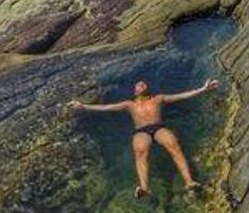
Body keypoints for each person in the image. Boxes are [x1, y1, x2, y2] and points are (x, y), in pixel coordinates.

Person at [69, 78, 220, 198]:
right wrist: (83, 106)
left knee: (174, 145)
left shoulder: (158, 99)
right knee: (140, 152)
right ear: (135, 91)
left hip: (158, 128)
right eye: (138, 85)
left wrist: (203, 89)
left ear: (147, 88)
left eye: (142, 84)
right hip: (142, 131)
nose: (140, 85)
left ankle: (189, 181)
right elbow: (106, 107)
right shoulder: (129, 104)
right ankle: (145, 188)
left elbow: (181, 96)